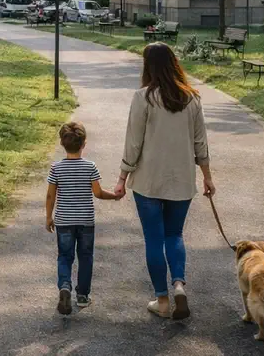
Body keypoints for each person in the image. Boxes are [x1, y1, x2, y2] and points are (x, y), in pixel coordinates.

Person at [114, 42, 214, 321]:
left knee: (154, 239)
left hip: (147, 181)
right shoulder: (192, 98)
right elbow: (200, 143)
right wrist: (207, 177)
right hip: (181, 181)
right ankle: (179, 285)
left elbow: (133, 143)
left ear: (148, 66)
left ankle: (161, 300)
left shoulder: (143, 97)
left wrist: (122, 177)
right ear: (174, 64)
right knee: (175, 234)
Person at [46, 121, 124, 316]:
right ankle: (82, 296)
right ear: (84, 144)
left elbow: (50, 195)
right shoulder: (90, 167)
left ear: (62, 143)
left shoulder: (56, 168)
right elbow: (97, 193)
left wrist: (49, 216)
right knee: (85, 257)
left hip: (64, 221)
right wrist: (114, 196)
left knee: (65, 256)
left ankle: (64, 287)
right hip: (86, 222)